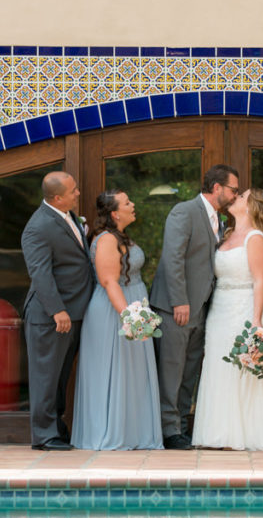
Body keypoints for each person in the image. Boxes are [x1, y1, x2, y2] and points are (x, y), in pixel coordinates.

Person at [192, 188, 263, 450]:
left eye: (241, 197)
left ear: (251, 207)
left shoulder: (256, 238)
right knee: (218, 364)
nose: (235, 198)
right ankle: (218, 432)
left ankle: (247, 432)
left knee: (243, 368)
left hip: (245, 307)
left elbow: (260, 281)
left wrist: (256, 322)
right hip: (220, 309)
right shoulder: (226, 235)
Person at [150, 164, 240, 450]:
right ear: (217, 188)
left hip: (202, 309)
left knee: (189, 371)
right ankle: (168, 430)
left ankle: (183, 427)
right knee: (172, 370)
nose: (235, 195)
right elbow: (172, 259)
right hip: (177, 306)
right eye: (233, 190)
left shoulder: (219, 220)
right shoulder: (184, 212)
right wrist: (179, 301)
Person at [72, 190, 162, 450]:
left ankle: (135, 433)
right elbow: (109, 280)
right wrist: (130, 318)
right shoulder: (106, 239)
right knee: (114, 370)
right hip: (115, 310)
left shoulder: (121, 237)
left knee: (132, 373)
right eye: (127, 202)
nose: (133, 205)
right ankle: (109, 432)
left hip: (132, 303)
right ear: (114, 212)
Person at [20, 171, 94, 451]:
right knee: (45, 377)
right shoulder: (38, 226)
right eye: (73, 190)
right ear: (58, 197)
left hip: (74, 311)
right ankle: (44, 436)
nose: (78, 193)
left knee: (60, 377)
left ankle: (57, 429)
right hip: (50, 316)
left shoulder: (69, 217)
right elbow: (40, 273)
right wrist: (57, 311)